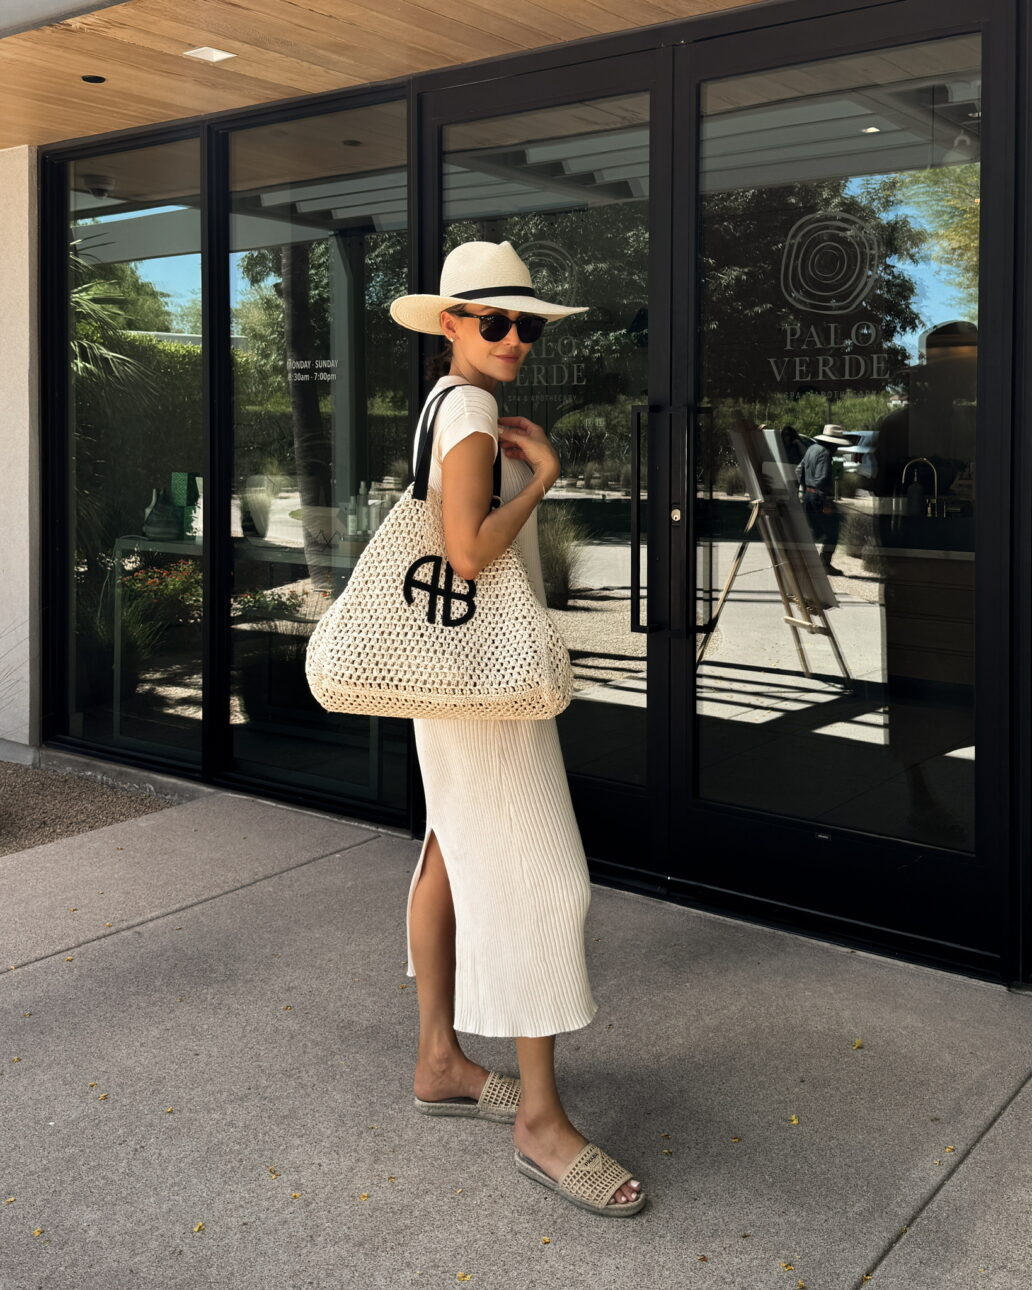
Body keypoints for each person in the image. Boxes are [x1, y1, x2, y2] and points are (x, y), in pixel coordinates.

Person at [389, 240, 645, 1216]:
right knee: (548, 884)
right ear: (449, 325)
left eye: (525, 325)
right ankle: (540, 1120)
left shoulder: (440, 408)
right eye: (492, 321)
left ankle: (440, 1061)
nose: (512, 340)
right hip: (485, 694)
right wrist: (541, 479)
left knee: (448, 854)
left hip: (447, 681)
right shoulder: (475, 413)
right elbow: (463, 554)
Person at [795, 424, 852, 576]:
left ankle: (806, 561)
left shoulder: (811, 449)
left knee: (815, 529)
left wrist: (805, 487)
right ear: (832, 443)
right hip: (820, 497)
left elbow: (798, 470)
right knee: (832, 532)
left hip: (808, 494)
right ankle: (824, 563)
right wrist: (826, 499)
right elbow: (821, 478)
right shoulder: (825, 453)